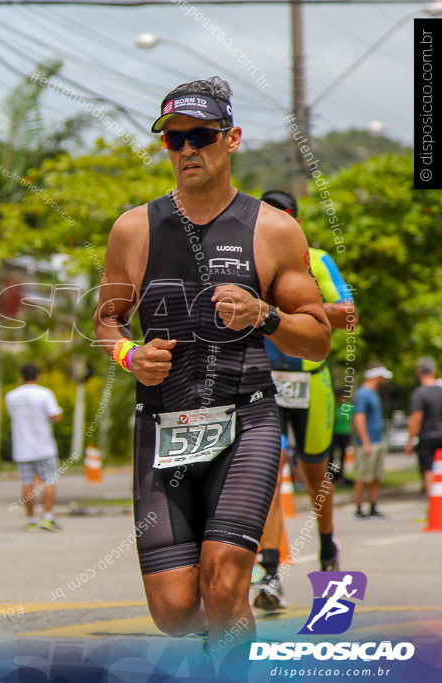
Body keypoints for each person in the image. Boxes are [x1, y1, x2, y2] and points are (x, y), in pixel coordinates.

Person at [92, 77, 330, 657]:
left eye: (201, 135)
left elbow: (319, 338)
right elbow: (107, 320)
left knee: (224, 582)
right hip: (163, 426)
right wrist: (131, 355)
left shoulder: (273, 230)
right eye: (174, 139)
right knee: (175, 612)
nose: (187, 149)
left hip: (245, 423)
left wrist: (265, 315)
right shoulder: (135, 228)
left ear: (232, 139)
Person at [251, 189, 356, 611]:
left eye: (285, 218)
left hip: (310, 381)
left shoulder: (315, 258)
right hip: (264, 382)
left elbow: (349, 313)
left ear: (295, 221)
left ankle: (328, 548)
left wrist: (285, 309)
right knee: (268, 477)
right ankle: (271, 572)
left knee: (316, 478)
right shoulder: (247, 259)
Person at [4, 363, 63, 531]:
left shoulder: (11, 396)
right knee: (49, 482)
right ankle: (48, 517)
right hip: (44, 447)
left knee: (27, 483)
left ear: (21, 377)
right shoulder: (44, 393)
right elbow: (55, 416)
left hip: (22, 448)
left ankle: (30, 520)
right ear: (38, 376)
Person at [352, 363, 392, 519]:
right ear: (376, 376)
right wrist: (366, 442)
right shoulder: (363, 394)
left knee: (375, 476)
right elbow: (359, 419)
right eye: (381, 377)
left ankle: (373, 507)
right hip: (367, 443)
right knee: (363, 476)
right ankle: (359, 509)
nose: (382, 380)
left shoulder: (374, 393)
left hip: (378, 440)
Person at [405, 357, 442, 510]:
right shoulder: (440, 391)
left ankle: (433, 508)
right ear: (433, 371)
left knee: (428, 471)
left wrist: (410, 441)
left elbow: (416, 419)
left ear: (419, 373)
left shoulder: (420, 393)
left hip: (427, 437)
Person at [330, 388, 354, 486]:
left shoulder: (348, 407)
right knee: (331, 455)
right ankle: (331, 475)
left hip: (345, 433)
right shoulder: (333, 406)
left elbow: (352, 420)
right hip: (335, 433)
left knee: (343, 456)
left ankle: (341, 476)